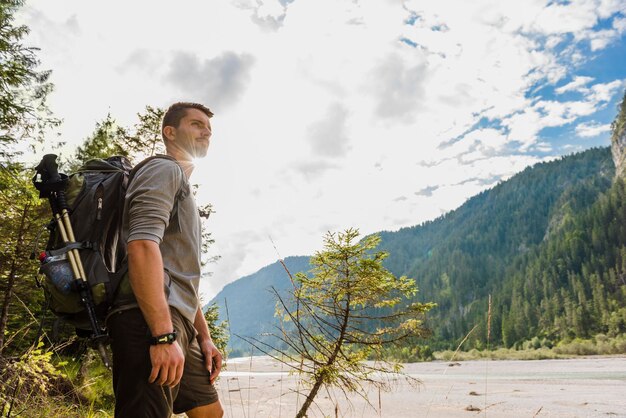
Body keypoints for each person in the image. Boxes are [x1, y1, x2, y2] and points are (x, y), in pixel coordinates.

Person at [107, 102, 224, 418]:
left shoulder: (181, 183)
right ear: (169, 132)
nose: (206, 132)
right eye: (197, 124)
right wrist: (162, 335)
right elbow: (142, 246)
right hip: (151, 322)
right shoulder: (163, 169)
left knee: (210, 413)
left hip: (177, 324)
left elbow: (180, 274)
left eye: (209, 128)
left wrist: (205, 337)